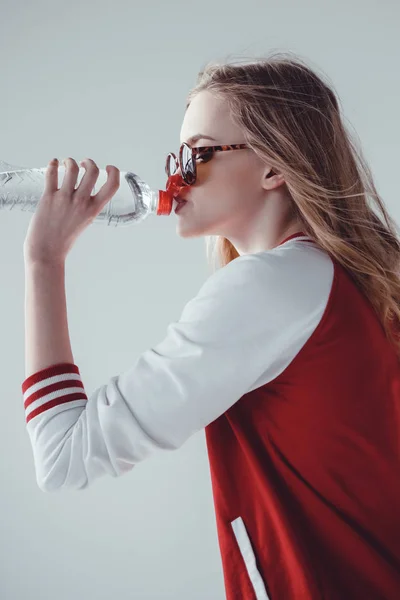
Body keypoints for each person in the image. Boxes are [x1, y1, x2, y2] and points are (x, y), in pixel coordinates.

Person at [22, 52, 400, 599]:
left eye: (198, 154)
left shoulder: (270, 287)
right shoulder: (355, 279)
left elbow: (64, 456)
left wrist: (43, 261)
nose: (175, 176)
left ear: (273, 167)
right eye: (177, 154)